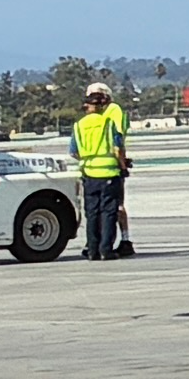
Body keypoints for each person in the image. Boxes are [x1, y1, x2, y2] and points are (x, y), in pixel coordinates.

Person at [70, 80, 130, 258]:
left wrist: (88, 160)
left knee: (92, 213)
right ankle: (106, 249)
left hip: (88, 173)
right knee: (109, 212)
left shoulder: (78, 126)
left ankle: (92, 249)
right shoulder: (108, 122)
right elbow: (118, 146)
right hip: (109, 172)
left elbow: (74, 152)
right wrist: (123, 165)